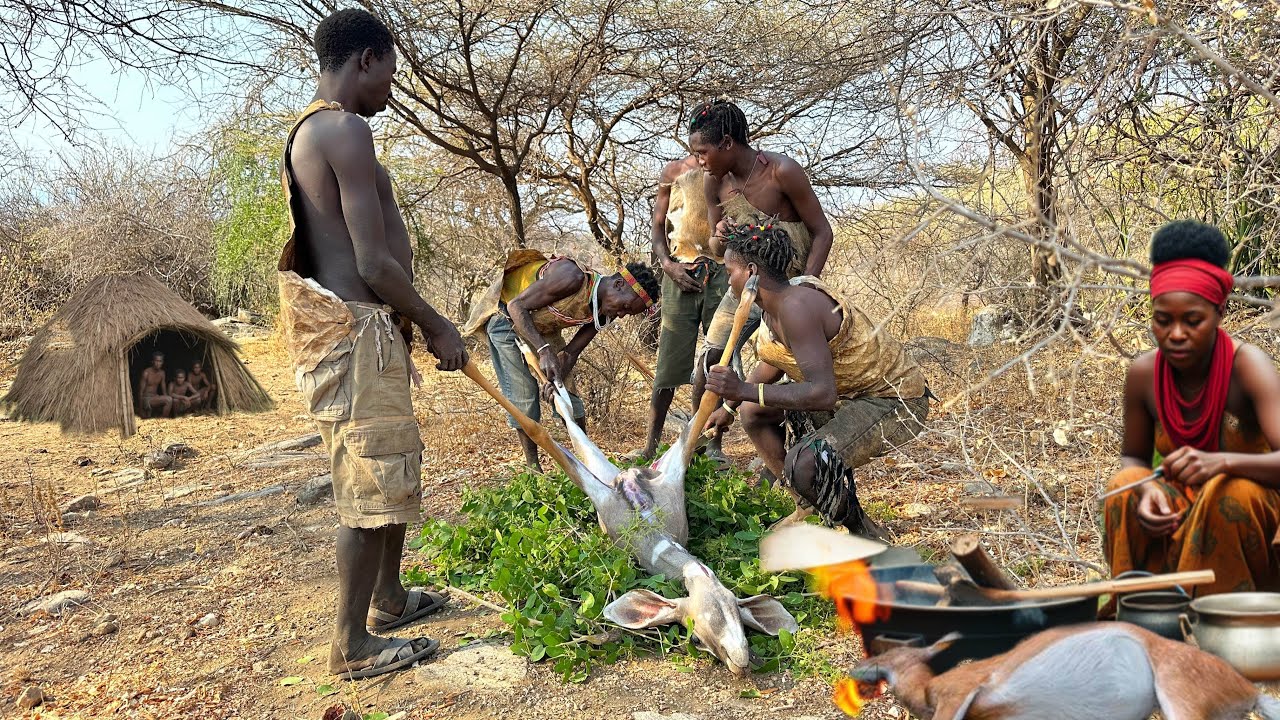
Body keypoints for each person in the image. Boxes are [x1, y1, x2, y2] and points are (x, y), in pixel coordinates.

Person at [277, 8, 466, 680]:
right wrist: (439, 323)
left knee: (391, 469)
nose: (391, 86)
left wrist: (407, 324)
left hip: (371, 334)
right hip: (357, 334)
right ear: (366, 59)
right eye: (390, 71)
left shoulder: (316, 131)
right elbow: (373, 262)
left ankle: (388, 598)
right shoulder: (343, 128)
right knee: (366, 485)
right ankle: (351, 644)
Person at [703, 224, 929, 538]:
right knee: (753, 413)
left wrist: (742, 389)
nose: (729, 281)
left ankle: (863, 532)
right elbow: (770, 367)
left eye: (730, 271)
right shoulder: (771, 309)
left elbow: (821, 394)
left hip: (893, 400)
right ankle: (807, 503)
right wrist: (729, 406)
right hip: (849, 396)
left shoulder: (796, 306)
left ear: (751, 271)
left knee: (803, 465)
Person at [1104, 220, 1280, 598]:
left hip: (1254, 502)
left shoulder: (1249, 367)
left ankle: (1225, 625)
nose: (1176, 334)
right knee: (1123, 489)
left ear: (1220, 312)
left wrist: (1224, 463)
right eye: (1163, 321)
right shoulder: (1143, 374)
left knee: (1229, 493)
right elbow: (1132, 458)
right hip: (1179, 500)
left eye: (1193, 321)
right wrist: (1147, 487)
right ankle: (1143, 614)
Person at [687, 99, 834, 468]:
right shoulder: (714, 182)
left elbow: (822, 232)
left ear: (726, 142)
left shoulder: (781, 171)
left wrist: (808, 284)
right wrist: (719, 236)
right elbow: (716, 247)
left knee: (787, 360)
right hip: (743, 285)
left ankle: (803, 462)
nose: (699, 160)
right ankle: (707, 447)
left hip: (785, 288)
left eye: (703, 152)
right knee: (710, 358)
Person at [462, 250, 660, 470]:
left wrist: (553, 381)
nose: (621, 314)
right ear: (619, 285)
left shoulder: (604, 311)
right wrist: (545, 350)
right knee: (524, 396)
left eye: (627, 314)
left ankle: (589, 464)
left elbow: (571, 352)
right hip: (506, 320)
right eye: (625, 307)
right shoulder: (571, 277)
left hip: (540, 327)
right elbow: (516, 307)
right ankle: (533, 470)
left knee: (567, 394)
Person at [636, 153, 725, 461]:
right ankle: (651, 444)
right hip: (680, 270)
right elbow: (658, 226)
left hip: (723, 271)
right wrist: (668, 266)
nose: (703, 153)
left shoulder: (730, 169)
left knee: (717, 359)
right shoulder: (673, 171)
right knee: (669, 363)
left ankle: (711, 445)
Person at [137, 352, 172, 418]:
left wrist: (167, 401)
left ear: (162, 362)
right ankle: (162, 420)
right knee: (168, 399)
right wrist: (140, 409)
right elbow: (140, 391)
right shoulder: (146, 372)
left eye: (160, 361)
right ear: (153, 361)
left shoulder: (162, 373)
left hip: (155, 397)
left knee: (169, 399)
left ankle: (162, 419)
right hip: (146, 398)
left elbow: (164, 390)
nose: (158, 363)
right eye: (156, 361)